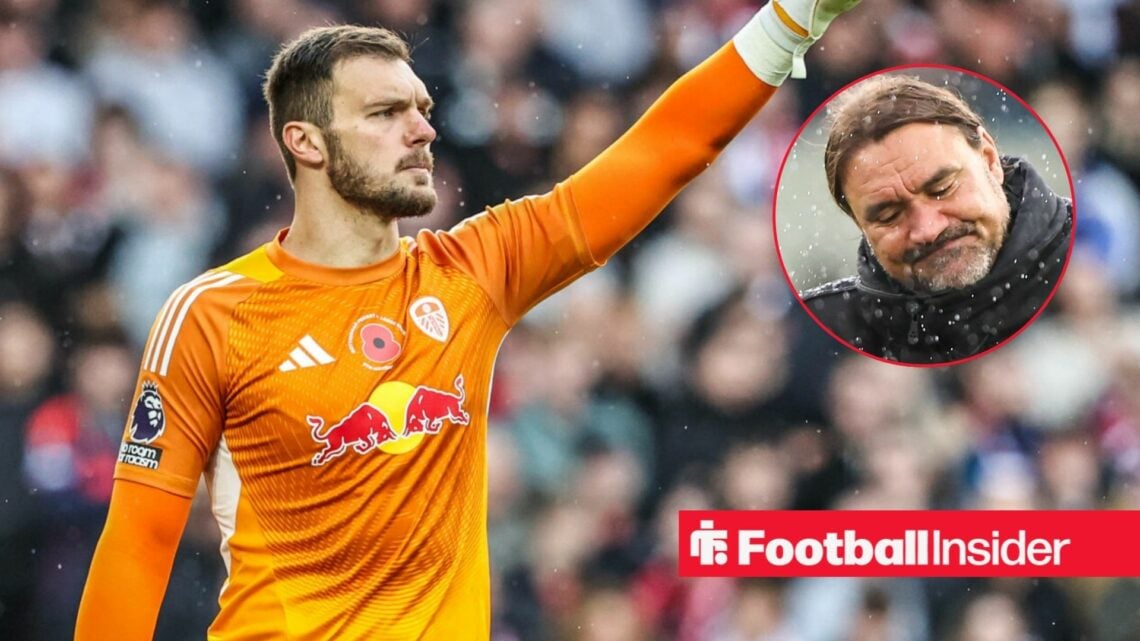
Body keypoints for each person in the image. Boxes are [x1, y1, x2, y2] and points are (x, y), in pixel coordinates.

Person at [74, 2, 864, 639]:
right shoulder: (212, 314)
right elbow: (141, 541)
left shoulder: (473, 270)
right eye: (386, 113)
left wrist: (793, 17)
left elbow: (664, 150)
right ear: (305, 143)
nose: (422, 130)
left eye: (422, 109)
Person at [799, 75, 1073, 364]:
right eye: (890, 216)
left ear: (990, 160)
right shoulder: (826, 328)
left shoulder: (1092, 264)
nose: (928, 229)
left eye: (942, 189)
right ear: (860, 225)